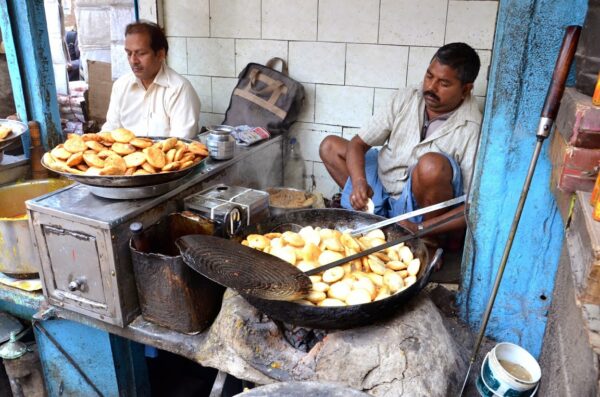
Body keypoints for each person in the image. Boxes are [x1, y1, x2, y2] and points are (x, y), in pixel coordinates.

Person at [319, 42, 481, 248]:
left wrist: (422, 228)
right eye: (429, 76)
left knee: (431, 165)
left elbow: (471, 205)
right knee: (330, 146)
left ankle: (428, 240)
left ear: (466, 89)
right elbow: (358, 143)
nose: (431, 87)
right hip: (382, 185)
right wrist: (359, 182)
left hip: (420, 211)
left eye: (444, 83)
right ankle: (373, 216)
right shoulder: (407, 96)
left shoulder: (472, 126)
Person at [102, 21, 201, 139]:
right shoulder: (121, 86)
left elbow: (180, 144)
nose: (133, 60)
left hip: (166, 156)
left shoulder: (179, 89)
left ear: (160, 54)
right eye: (129, 53)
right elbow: (111, 130)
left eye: (141, 53)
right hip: (125, 156)